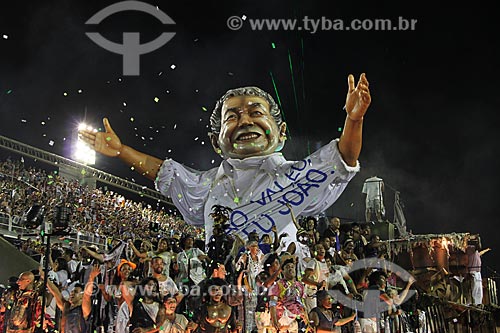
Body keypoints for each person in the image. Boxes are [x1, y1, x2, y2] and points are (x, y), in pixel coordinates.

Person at [79, 74, 372, 242]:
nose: (245, 122)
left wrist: (353, 120)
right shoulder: (208, 185)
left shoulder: (291, 179)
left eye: (256, 113)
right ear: (215, 142)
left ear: (280, 132)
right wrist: (122, 151)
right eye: (232, 117)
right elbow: (164, 172)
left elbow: (340, 159)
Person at [42, 264, 100, 333]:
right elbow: (56, 293)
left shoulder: (84, 310)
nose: (72, 293)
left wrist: (91, 277)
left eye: (75, 292)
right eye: (72, 292)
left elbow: (87, 296)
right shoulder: (66, 307)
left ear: (81, 296)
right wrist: (44, 277)